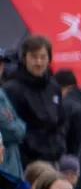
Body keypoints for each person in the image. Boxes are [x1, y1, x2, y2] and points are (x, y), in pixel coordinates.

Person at [5, 37, 67, 168]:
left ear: (49, 59)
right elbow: (12, 127)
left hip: (54, 158)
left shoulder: (54, 86)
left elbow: (62, 120)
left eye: (43, 57)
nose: (38, 62)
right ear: (24, 58)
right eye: (34, 57)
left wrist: (60, 144)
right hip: (27, 162)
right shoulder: (13, 89)